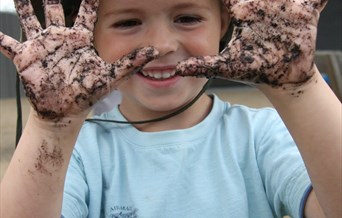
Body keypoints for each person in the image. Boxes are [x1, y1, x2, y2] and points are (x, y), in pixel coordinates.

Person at [0, 0, 341, 217]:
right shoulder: (78, 152)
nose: (161, 46)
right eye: (127, 22)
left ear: (224, 22)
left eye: (188, 18)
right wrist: (52, 127)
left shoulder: (260, 136)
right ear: (88, 35)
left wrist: (299, 87)